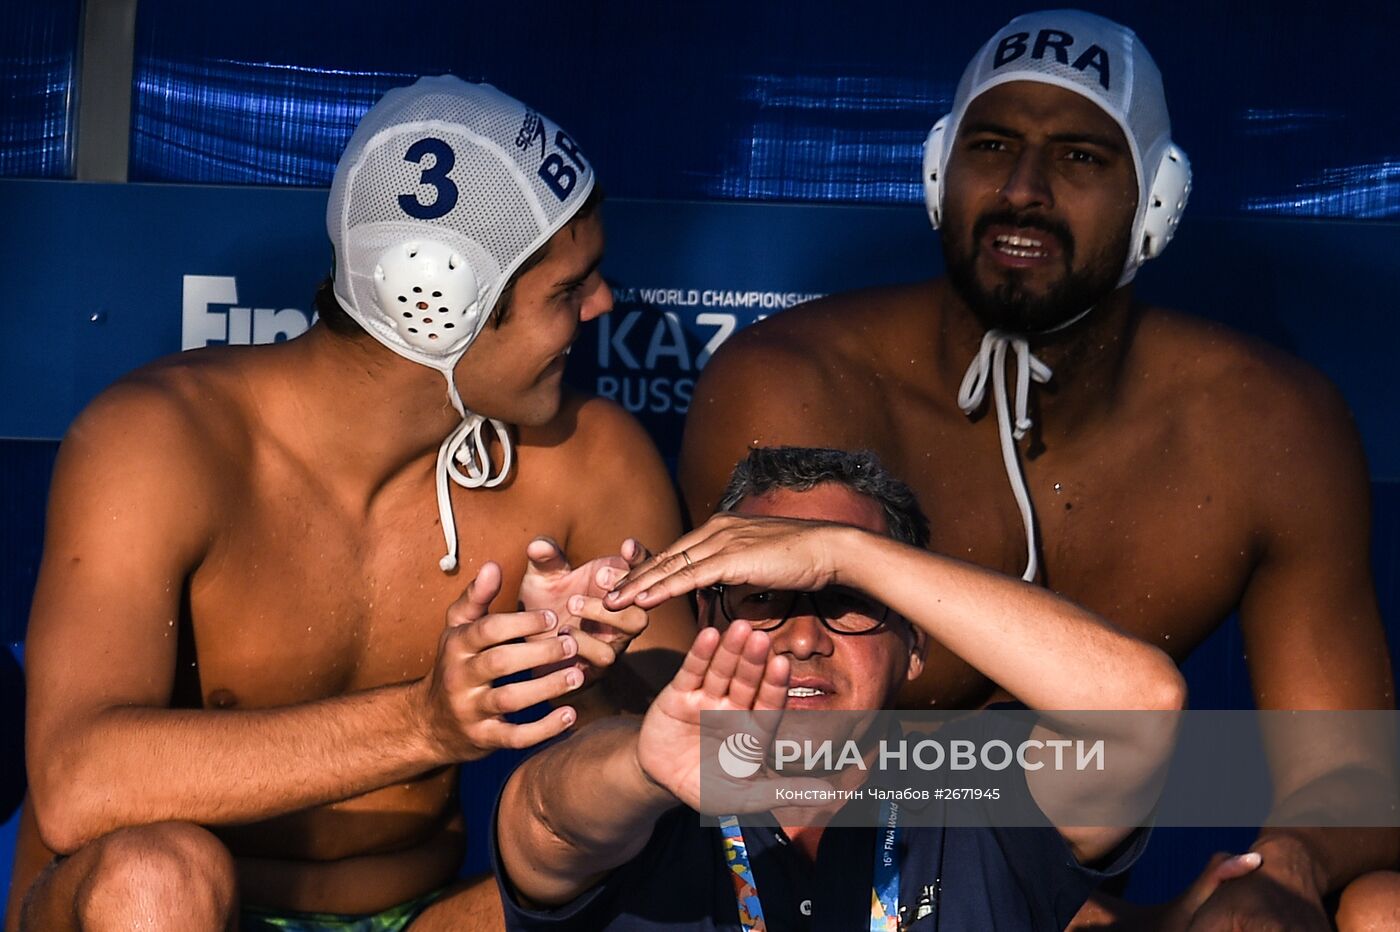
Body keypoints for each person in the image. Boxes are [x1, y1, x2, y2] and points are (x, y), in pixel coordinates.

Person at [677, 10, 1398, 928]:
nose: (1022, 189)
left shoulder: (1265, 426)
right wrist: (1020, 799)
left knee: (1378, 909)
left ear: (1158, 202)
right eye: (993, 145)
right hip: (829, 886)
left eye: (1079, 158)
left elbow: (1353, 770)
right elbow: (715, 746)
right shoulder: (794, 385)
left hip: (1079, 894)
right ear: (941, 172)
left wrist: (1283, 864)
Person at [9, 76, 693, 931]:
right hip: (175, 909)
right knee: (158, 877)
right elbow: (78, 785)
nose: (604, 304)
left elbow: (699, 765)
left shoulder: (588, 459)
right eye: (569, 289)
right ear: (440, 304)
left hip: (419, 913)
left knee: (605, 891)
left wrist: (589, 678)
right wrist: (423, 723)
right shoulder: (161, 442)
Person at [495, 446, 1186, 930]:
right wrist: (649, 770)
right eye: (765, 595)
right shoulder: (638, 791)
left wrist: (839, 551)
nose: (803, 639)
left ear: (915, 642)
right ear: (707, 616)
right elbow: (542, 819)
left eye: (846, 598)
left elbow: (1142, 707)